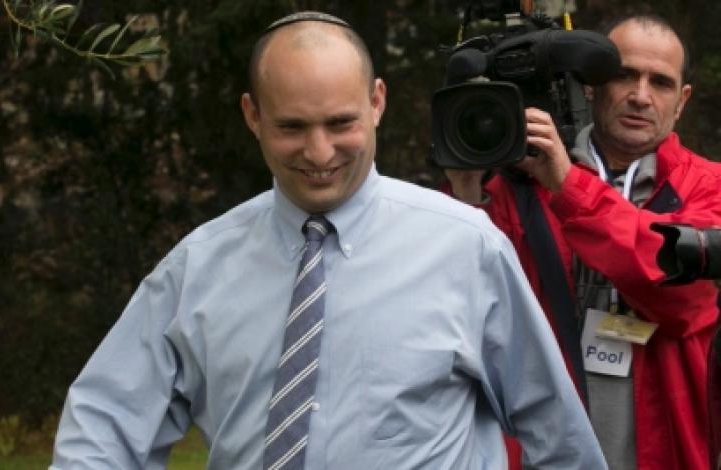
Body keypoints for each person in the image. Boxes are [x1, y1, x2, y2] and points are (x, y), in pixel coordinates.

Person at [50, 11, 605, 469]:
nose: (319, 153)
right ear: (252, 115)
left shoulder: (467, 248)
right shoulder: (197, 268)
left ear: (377, 102)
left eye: (340, 123)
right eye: (291, 127)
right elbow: (103, 426)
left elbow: (559, 438)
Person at [445, 14, 721, 470]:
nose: (640, 96)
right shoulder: (524, 181)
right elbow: (467, 300)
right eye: (624, 75)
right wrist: (467, 188)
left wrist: (568, 186)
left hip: (668, 452)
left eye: (660, 82)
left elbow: (677, 295)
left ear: (682, 100)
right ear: (590, 86)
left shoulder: (711, 186)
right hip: (540, 453)